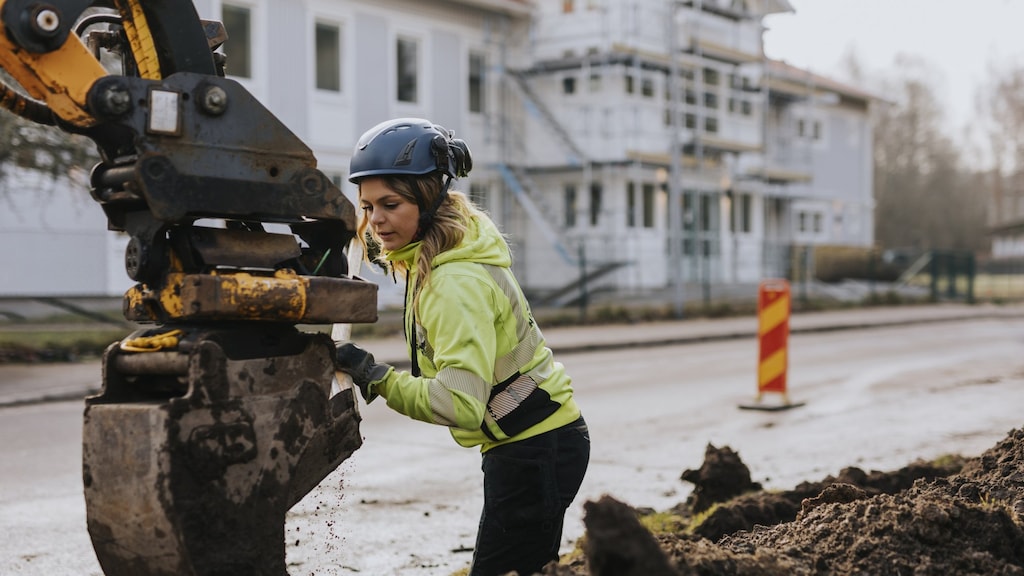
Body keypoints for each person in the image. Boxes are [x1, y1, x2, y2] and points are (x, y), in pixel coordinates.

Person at [335, 117, 590, 576]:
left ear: (428, 199)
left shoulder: (452, 282)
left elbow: (460, 404)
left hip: (534, 450)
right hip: (537, 441)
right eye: (368, 205)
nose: (375, 220)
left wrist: (378, 378)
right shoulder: (446, 251)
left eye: (390, 204)